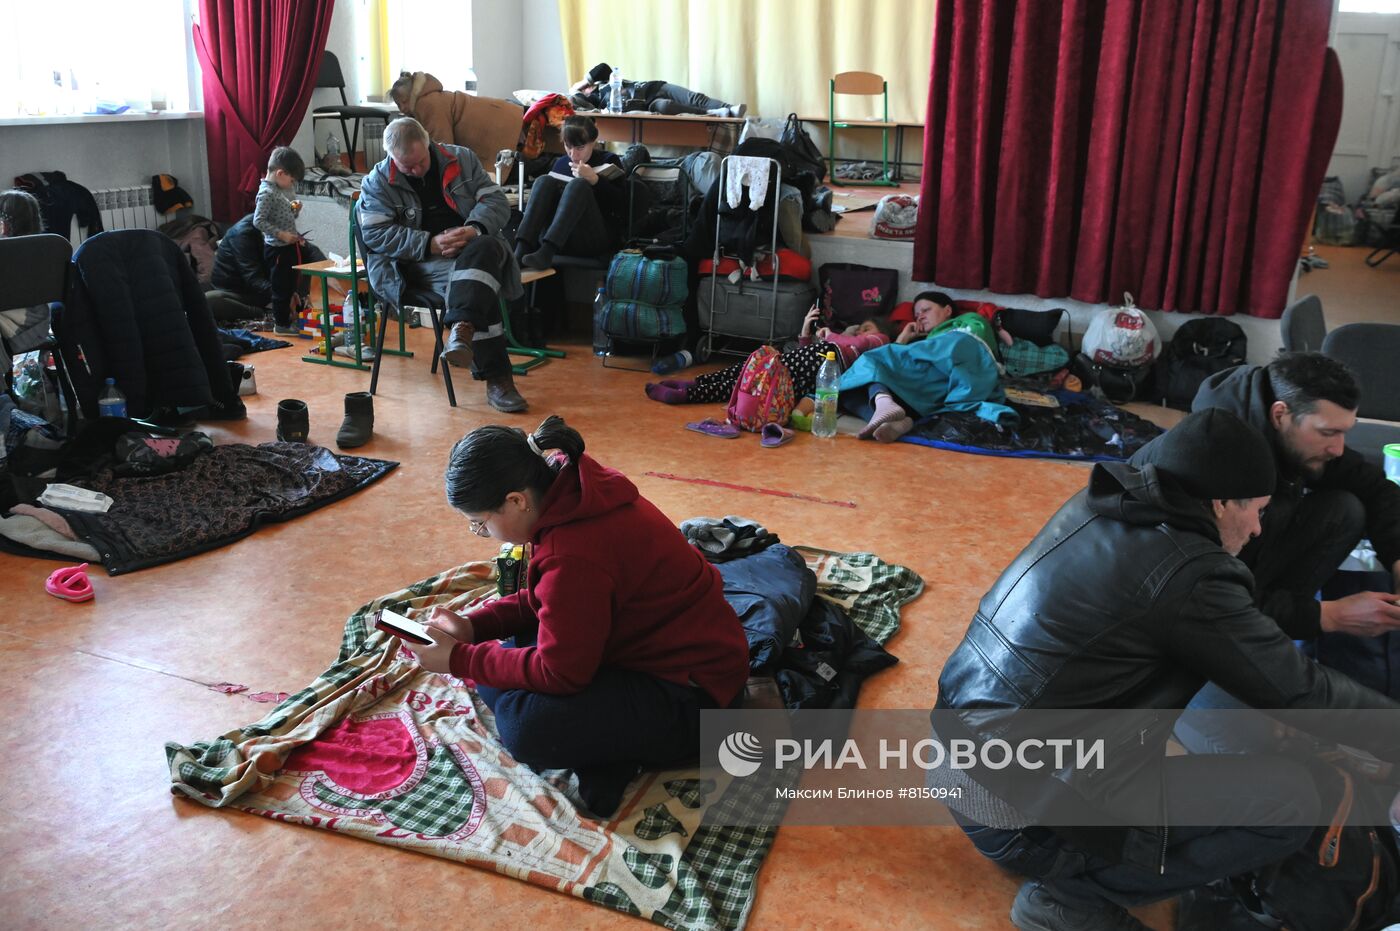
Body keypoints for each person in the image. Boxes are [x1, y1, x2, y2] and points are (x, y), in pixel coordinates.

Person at [936, 408, 1400, 930]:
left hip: (962, 768)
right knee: (1294, 802)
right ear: (1221, 501)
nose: (1256, 529)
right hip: (1020, 813)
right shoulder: (1190, 573)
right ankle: (1074, 899)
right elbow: (1303, 691)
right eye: (1258, 511)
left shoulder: (1100, 504)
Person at [402, 415, 751, 815]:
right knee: (510, 651)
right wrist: (475, 626)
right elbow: (547, 598)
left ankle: (611, 751)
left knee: (525, 727)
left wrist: (458, 659)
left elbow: (561, 671)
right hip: (650, 652)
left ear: (516, 500)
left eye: (480, 524)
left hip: (695, 700)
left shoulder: (573, 553)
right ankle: (606, 747)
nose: (483, 534)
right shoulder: (574, 489)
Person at [1131, 352, 1400, 752]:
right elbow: (1204, 600)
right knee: (1254, 747)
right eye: (1328, 433)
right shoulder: (1210, 467)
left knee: (1345, 507)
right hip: (1167, 640)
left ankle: (1268, 634)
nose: (1340, 448)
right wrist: (1326, 616)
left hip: (1223, 593)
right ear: (1280, 414)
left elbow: (1375, 488)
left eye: (1345, 432)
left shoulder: (1288, 439)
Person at [358, 117, 529, 413]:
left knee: (485, 247)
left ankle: (462, 326)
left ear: (428, 143)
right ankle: (499, 381)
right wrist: (428, 243)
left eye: (420, 162)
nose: (415, 170)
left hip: (473, 249)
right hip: (418, 262)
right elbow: (374, 234)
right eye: (406, 166)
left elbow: (496, 202)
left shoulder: (461, 158)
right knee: (478, 282)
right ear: (390, 157)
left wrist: (474, 228)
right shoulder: (376, 182)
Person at [837, 291, 1011, 442]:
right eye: (916, 314)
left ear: (948, 310)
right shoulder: (923, 342)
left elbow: (973, 342)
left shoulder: (967, 321)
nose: (920, 316)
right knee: (851, 391)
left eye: (926, 310)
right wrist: (904, 337)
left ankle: (886, 405)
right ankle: (896, 417)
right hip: (936, 387)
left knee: (870, 360)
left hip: (964, 369)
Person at [643, 305, 892, 405]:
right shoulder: (842, 342)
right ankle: (696, 382)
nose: (860, 331)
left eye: (866, 328)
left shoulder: (880, 341)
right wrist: (807, 328)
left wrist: (833, 335)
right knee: (752, 367)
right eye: (860, 328)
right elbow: (804, 349)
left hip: (824, 364)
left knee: (755, 383)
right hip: (813, 359)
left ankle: (689, 395)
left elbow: (855, 343)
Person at [513, 116, 627, 270]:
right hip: (558, 234)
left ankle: (548, 251)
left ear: (593, 142)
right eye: (568, 146)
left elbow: (621, 206)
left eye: (580, 148)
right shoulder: (561, 163)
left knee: (578, 185)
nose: (573, 154)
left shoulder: (608, 160)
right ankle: (521, 250)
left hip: (592, 237)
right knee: (543, 181)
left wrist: (595, 180)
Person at [210, 212, 326, 323]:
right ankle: (264, 313)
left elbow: (310, 251)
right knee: (211, 300)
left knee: (309, 268)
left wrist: (328, 274)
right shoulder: (241, 234)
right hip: (240, 293)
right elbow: (254, 280)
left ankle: (295, 305)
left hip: (269, 288)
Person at [252, 147, 310, 335]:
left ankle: (290, 316)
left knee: (291, 284)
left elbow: (287, 213)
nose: (291, 184)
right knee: (281, 288)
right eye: (291, 179)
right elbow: (258, 221)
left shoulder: (281, 189)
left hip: (288, 245)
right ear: (280, 173)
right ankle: (282, 325)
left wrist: (296, 208)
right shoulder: (266, 193)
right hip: (277, 249)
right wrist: (281, 234)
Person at [0, 189, 54, 379]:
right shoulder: (49, 247)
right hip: (40, 324)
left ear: (4, 223)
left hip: (17, 327)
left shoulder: (6, 253)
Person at [571, 62, 746, 117]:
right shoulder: (596, 100)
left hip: (653, 87)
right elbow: (577, 100)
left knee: (694, 97)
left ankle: (731, 108)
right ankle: (714, 113)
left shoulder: (604, 79)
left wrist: (584, 81)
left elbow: (603, 67)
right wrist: (576, 90)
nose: (585, 89)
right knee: (666, 106)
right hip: (649, 103)